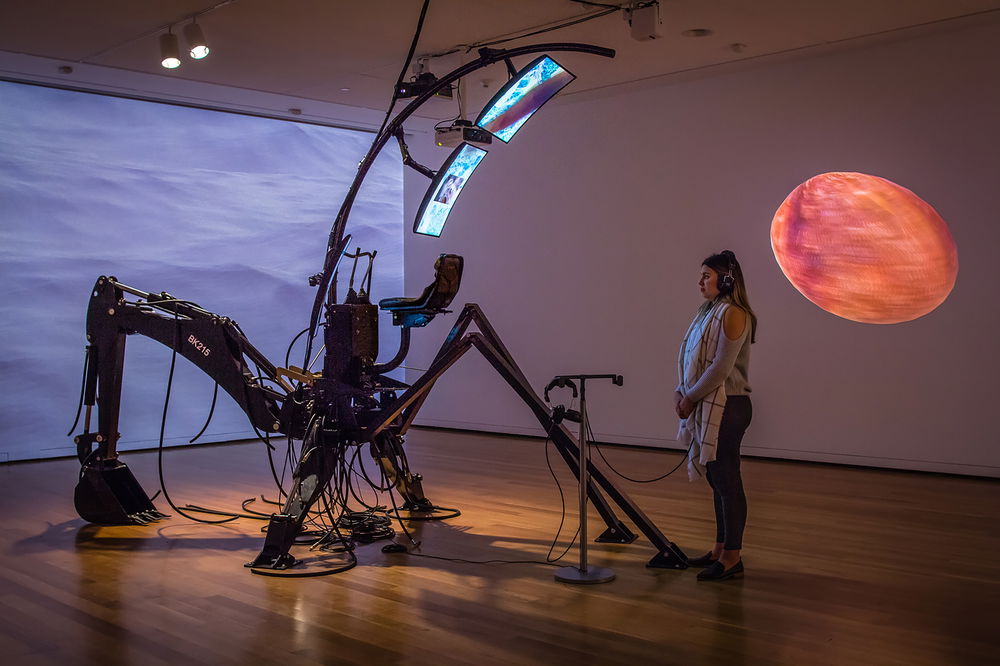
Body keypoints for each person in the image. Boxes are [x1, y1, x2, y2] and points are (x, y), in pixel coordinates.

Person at [674, 250, 757, 582]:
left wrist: (690, 398)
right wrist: (680, 391)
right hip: (709, 404)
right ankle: (720, 548)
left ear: (726, 280)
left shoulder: (734, 314)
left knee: (727, 480)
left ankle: (732, 557)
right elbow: (687, 356)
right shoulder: (707, 312)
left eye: (706, 275)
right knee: (717, 480)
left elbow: (719, 368)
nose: (700, 282)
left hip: (730, 406)